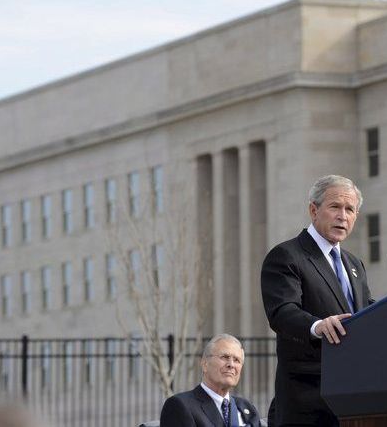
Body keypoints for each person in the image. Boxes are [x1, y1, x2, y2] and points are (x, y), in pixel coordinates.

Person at [261, 175, 373, 426]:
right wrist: (317, 326)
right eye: (335, 207)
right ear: (314, 210)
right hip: (308, 403)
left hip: (354, 399)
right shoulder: (287, 256)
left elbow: (366, 312)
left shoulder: (355, 265)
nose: (342, 215)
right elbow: (282, 311)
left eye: (350, 209)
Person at [159, 334, 262, 427]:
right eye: (225, 357)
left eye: (237, 360)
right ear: (205, 364)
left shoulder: (246, 407)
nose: (231, 365)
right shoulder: (180, 406)